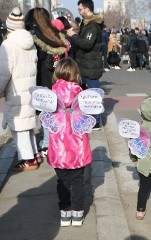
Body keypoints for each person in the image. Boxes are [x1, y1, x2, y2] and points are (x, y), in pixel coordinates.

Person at [45, 58, 92, 227]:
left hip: (59, 147)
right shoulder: (81, 94)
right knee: (78, 180)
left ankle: (65, 213)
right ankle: (78, 213)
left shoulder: (51, 94)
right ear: (76, 75)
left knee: (62, 181)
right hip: (77, 144)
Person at [0, 7, 39, 171]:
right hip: (29, 88)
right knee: (28, 124)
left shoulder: (7, 44)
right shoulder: (30, 42)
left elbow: (3, 72)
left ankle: (28, 159)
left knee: (19, 127)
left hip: (15, 90)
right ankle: (34, 154)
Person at [25, 7, 67, 157]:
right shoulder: (55, 34)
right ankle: (57, 142)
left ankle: (46, 144)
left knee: (46, 113)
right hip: (58, 78)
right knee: (56, 112)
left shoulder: (35, 36)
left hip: (43, 78)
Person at [67, 0, 103, 130]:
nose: (79, 11)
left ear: (87, 9)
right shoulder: (86, 24)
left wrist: (74, 36)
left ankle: (96, 121)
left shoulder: (93, 26)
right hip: (84, 65)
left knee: (93, 94)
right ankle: (87, 118)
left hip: (91, 66)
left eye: (80, 9)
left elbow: (87, 44)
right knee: (84, 94)